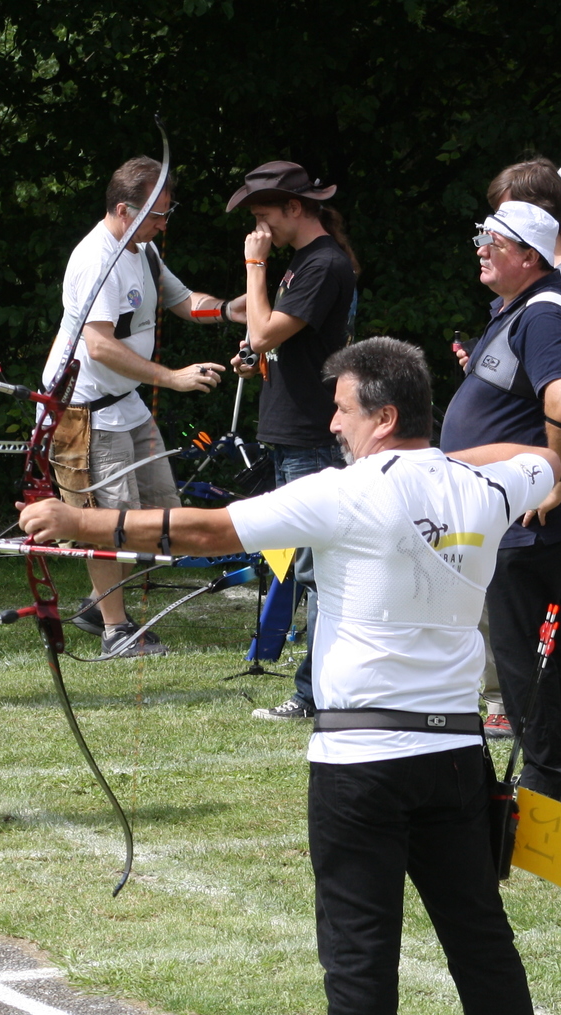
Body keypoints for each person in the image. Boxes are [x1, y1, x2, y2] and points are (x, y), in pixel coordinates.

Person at [21, 337, 558, 1015]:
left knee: (360, 957)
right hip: (455, 755)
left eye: (343, 410)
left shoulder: (349, 492)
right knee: (481, 943)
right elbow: (545, 455)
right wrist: (446, 458)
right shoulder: (486, 487)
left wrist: (77, 522)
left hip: (362, 762)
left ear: (383, 416)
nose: (333, 426)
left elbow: (207, 529)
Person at [43, 156, 234, 657]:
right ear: (125, 210)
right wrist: (172, 378)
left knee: (157, 513)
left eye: (168, 212)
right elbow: (100, 346)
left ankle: (96, 606)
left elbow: (184, 300)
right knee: (108, 519)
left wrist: (237, 310)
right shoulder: (96, 259)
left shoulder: (142, 249)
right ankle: (115, 630)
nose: (164, 224)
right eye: (158, 213)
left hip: (125, 401)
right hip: (87, 410)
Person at [440, 201, 561, 805]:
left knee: (526, 656)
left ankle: (547, 787)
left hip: (527, 518)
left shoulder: (545, 312)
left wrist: (557, 476)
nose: (481, 248)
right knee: (533, 652)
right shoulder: (520, 307)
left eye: (494, 242)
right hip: (513, 513)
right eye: (481, 236)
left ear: (529, 255)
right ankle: (549, 779)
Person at [223, 161, 359, 722]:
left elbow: (262, 331)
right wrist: (254, 358)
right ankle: (318, 690)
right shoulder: (304, 263)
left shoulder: (324, 264)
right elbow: (271, 340)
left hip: (311, 436)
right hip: (293, 433)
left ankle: (315, 694)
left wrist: (254, 266)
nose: (260, 229)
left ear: (295, 208)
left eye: (265, 216)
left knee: (318, 570)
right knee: (307, 567)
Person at [481, 158, 561, 737]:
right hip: (526, 484)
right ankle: (548, 737)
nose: (485, 242)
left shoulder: (559, 289)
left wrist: (557, 475)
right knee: (533, 622)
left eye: (500, 226)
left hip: (535, 490)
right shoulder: (538, 288)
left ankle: (551, 734)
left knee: (537, 622)